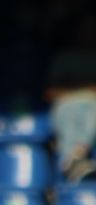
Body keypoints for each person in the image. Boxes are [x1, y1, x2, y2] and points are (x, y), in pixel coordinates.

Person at [47, 14, 96, 182]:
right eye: (85, 30)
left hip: (92, 103)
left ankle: (72, 159)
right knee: (66, 112)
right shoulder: (65, 58)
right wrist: (83, 91)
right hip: (67, 104)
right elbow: (50, 93)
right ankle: (75, 158)